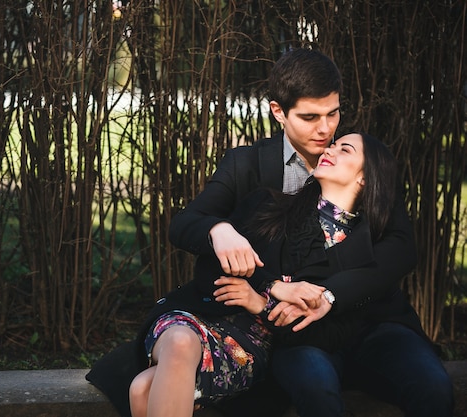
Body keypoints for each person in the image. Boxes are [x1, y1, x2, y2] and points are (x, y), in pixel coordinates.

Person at [167, 48, 454, 416]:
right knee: (313, 383)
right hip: (293, 332)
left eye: (333, 113)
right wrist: (218, 229)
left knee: (432, 385)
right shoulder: (247, 166)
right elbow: (186, 223)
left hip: (371, 320)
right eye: (309, 117)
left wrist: (331, 296)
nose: (325, 129)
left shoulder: (362, 159)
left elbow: (400, 246)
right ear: (278, 112)